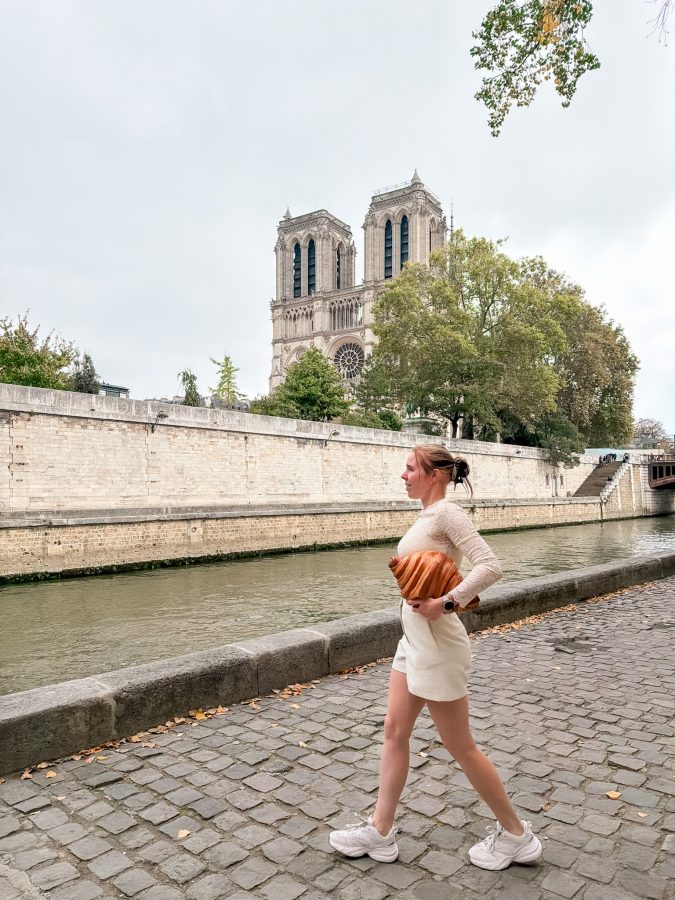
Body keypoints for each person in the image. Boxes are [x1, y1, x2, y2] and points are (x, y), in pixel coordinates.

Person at [328, 444, 543, 871]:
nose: (403, 475)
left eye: (410, 469)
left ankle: (517, 835)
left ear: (435, 475)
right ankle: (380, 831)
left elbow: (490, 566)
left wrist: (446, 603)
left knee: (459, 744)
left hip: (438, 640)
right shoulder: (427, 516)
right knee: (393, 730)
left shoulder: (448, 514)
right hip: (413, 640)